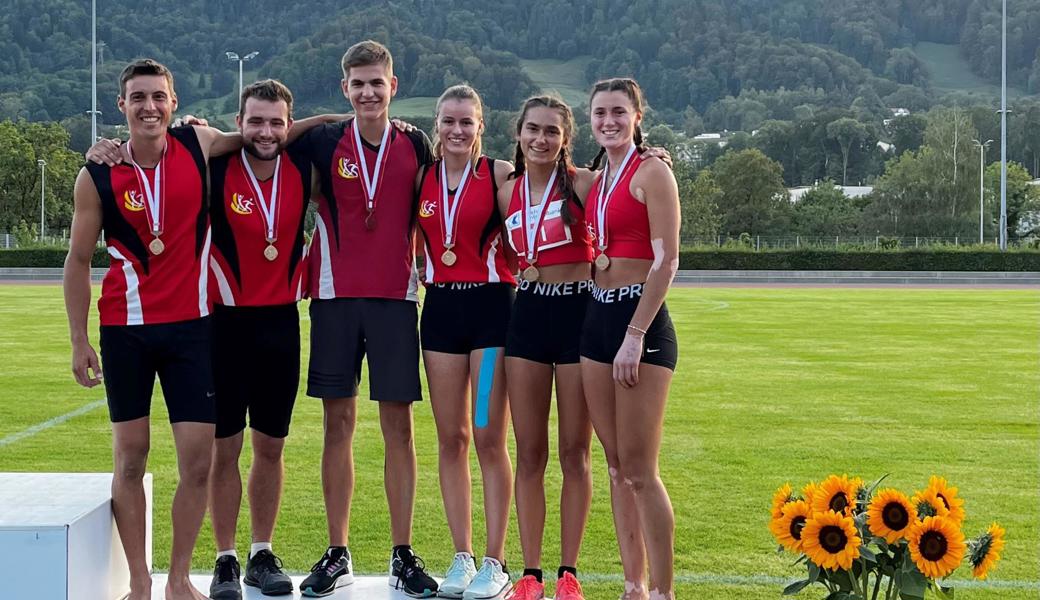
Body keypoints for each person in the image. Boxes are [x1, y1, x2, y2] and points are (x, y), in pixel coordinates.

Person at [64, 58, 246, 600]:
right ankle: (140, 581)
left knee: (198, 461)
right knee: (131, 458)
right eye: (137, 97)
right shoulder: (97, 171)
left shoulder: (198, 143)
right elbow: (76, 261)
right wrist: (79, 340)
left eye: (158, 97)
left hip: (192, 329)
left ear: (174, 101)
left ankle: (178, 578)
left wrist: (344, 119)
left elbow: (265, 132)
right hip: (127, 331)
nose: (148, 106)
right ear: (122, 106)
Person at [295, 40, 439, 598]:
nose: (368, 93)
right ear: (344, 89)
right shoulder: (324, 140)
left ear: (393, 86)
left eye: (377, 83)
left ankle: (402, 554)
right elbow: (266, 137)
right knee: (338, 427)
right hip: (332, 299)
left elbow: (461, 172)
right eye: (357, 84)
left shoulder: (417, 142)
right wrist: (326, 117)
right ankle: (338, 551)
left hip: (396, 300)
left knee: (398, 430)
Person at [205, 79, 310, 600]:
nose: (265, 131)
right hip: (223, 324)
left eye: (276, 122)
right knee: (225, 449)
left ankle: (260, 552)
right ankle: (224, 558)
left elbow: (343, 124)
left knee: (271, 446)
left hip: (281, 324)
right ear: (238, 122)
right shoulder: (214, 167)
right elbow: (165, 144)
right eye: (255, 121)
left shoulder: (303, 165)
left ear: (288, 126)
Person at [580, 78, 680, 600]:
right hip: (595, 322)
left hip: (639, 327)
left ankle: (663, 591)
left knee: (641, 469)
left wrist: (635, 335)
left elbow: (666, 262)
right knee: (616, 466)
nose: (608, 122)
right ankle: (633, 586)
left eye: (619, 112)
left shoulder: (652, 171)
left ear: (638, 115)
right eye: (599, 113)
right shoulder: (596, 179)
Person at [414, 84, 516, 600]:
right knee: (450, 438)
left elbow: (560, 184)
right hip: (441, 316)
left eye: (467, 122)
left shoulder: (498, 175)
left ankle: (495, 562)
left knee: (485, 434)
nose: (457, 130)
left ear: (481, 126)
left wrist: (650, 150)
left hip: (490, 316)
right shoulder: (421, 178)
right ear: (437, 124)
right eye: (449, 121)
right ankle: (462, 555)